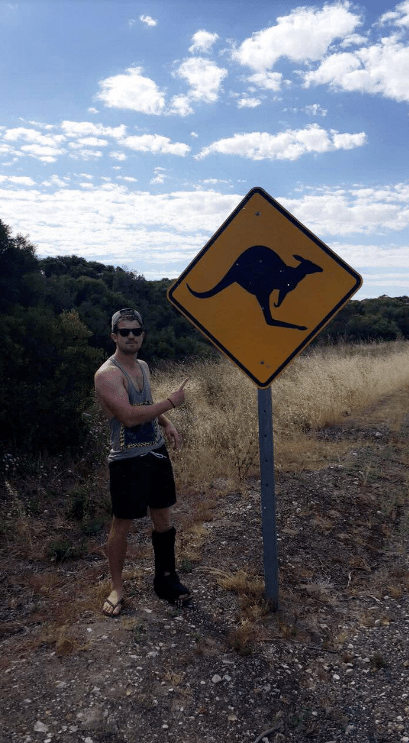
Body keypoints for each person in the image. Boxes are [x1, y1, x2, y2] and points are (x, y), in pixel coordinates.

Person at [94, 308, 190, 616]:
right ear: (114, 336)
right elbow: (128, 416)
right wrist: (171, 403)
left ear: (143, 334)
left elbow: (144, 405)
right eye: (125, 332)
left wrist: (165, 422)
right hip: (126, 461)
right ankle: (117, 588)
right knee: (121, 524)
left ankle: (166, 580)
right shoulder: (107, 375)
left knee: (163, 518)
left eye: (137, 331)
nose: (132, 336)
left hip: (156, 453)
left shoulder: (143, 366)